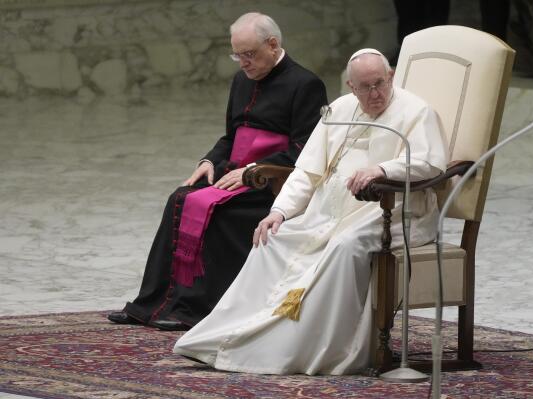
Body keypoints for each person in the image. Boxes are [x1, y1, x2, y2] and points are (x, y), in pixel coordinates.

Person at [173, 49, 448, 374]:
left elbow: (430, 162)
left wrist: (383, 170)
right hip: (327, 213)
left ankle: (315, 348)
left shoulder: (415, 112)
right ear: (350, 86)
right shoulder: (340, 110)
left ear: (390, 77)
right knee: (273, 237)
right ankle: (232, 334)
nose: (375, 94)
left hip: (391, 212)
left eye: (380, 84)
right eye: (365, 87)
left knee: (344, 247)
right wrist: (280, 211)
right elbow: (307, 170)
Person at [107, 12, 328, 331]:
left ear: (273, 44)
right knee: (179, 199)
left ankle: (194, 309)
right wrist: (208, 161)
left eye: (249, 54)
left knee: (214, 212)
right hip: (231, 173)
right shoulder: (242, 80)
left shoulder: (305, 83)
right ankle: (150, 304)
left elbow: (306, 149)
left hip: (270, 183)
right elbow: (231, 136)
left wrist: (254, 170)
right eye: (237, 54)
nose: (242, 63)